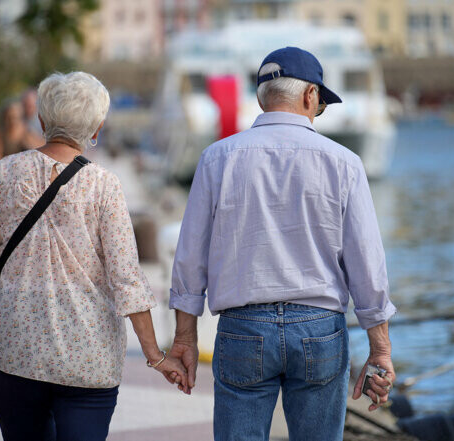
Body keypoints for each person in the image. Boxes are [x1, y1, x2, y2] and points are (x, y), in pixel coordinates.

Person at [167, 47, 397, 440]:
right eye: (320, 104)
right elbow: (366, 264)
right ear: (310, 96)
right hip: (319, 328)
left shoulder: (216, 158)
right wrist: (380, 349)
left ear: (262, 97)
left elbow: (190, 257)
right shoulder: (344, 163)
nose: (317, 110)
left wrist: (185, 337)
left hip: (243, 327)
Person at [0, 71, 188, 441]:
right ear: (97, 128)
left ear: (42, 120)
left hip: (13, 352)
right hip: (86, 359)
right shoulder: (105, 185)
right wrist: (156, 355)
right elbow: (126, 281)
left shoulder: (6, 171)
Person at [0, 99, 45, 168]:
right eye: (9, 117)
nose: (12, 121)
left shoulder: (26, 132)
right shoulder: (0, 134)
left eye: (16, 117)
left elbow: (42, 150)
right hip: (7, 172)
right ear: (4, 118)